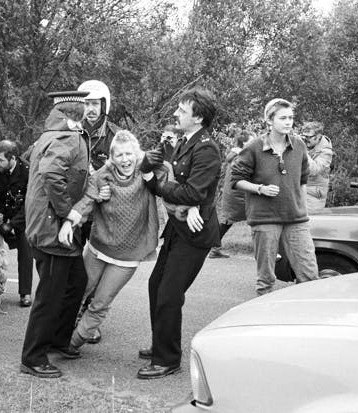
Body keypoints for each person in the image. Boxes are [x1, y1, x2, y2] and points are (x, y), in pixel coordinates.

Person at [137, 88, 221, 380]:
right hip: (177, 226)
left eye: (182, 111)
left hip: (195, 234)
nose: (176, 114)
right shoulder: (183, 141)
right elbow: (157, 170)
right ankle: (161, 343)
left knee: (169, 294)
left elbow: (193, 191)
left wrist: (157, 185)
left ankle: (167, 359)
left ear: (197, 117)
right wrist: (152, 162)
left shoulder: (207, 147)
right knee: (155, 286)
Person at [66, 130, 166, 351]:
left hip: (128, 254)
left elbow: (172, 177)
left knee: (100, 303)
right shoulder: (102, 175)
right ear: (112, 157)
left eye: (129, 154)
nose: (125, 160)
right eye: (119, 155)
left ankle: (72, 344)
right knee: (77, 291)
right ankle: (57, 335)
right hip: (98, 246)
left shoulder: (146, 170)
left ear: (137, 154)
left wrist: (191, 206)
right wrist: (70, 220)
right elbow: (87, 199)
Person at [20, 90, 90, 379]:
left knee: (77, 281)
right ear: (76, 113)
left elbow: (33, 162)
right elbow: (50, 173)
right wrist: (68, 213)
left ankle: (59, 339)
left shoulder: (52, 134)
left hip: (51, 226)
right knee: (50, 294)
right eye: (86, 107)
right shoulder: (66, 137)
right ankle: (33, 357)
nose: (89, 110)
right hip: (53, 229)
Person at [230, 98, 318, 296]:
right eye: (283, 118)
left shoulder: (299, 145)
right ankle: (265, 319)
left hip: (296, 218)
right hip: (264, 218)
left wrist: (302, 208)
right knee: (266, 279)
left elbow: (303, 180)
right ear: (269, 121)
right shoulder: (253, 147)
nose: (288, 122)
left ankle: (307, 317)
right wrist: (260, 189)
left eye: (291, 118)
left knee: (309, 274)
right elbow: (236, 180)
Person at [74, 79, 120, 344]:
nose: (90, 109)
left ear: (104, 105)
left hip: (102, 213)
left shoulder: (115, 136)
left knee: (97, 269)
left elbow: (126, 173)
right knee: (72, 266)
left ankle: (88, 318)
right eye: (86, 103)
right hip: (74, 211)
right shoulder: (71, 131)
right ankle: (68, 311)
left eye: (95, 103)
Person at [0, 140, 33, 307]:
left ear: (12, 158)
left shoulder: (27, 170)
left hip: (19, 214)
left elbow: (29, 203)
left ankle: (25, 292)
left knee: (25, 247)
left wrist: (12, 225)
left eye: (0, 160)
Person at [209, 129, 255, 258]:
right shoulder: (241, 155)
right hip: (239, 194)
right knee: (256, 219)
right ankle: (261, 250)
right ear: (243, 143)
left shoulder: (235, 154)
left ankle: (214, 248)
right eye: (251, 141)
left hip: (235, 193)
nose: (254, 143)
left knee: (228, 221)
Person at [301, 121, 333, 212]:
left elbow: (314, 170)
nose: (305, 139)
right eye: (304, 136)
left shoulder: (326, 152)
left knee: (310, 224)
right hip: (300, 191)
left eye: (309, 137)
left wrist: (302, 150)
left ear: (318, 136)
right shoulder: (308, 145)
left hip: (314, 197)